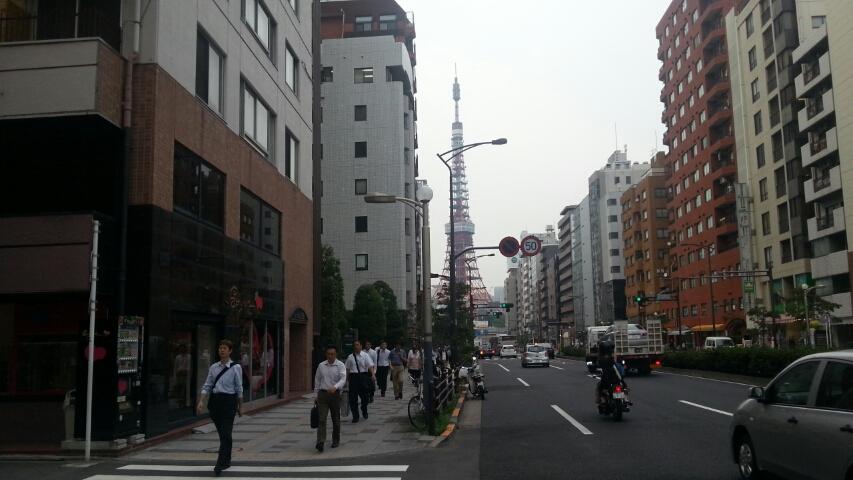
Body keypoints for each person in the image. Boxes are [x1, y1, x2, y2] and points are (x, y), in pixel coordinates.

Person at [197, 339, 243, 476]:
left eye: (224, 348)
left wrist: (240, 406)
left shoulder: (236, 367)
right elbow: (207, 385)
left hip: (229, 402)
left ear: (230, 351)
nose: (222, 350)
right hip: (215, 403)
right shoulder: (213, 367)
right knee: (224, 434)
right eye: (220, 348)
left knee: (226, 433)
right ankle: (226, 460)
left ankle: (220, 464)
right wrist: (201, 401)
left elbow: (239, 388)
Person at [314, 345, 346, 452]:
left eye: (332, 354)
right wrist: (316, 395)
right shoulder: (321, 365)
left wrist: (335, 387)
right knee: (321, 419)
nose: (330, 356)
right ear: (326, 354)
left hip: (335, 395)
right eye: (328, 354)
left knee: (335, 418)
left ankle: (335, 440)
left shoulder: (340, 365)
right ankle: (320, 441)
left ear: (336, 354)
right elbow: (317, 380)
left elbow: (343, 379)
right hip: (323, 394)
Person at [345, 341, 375, 423]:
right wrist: (346, 380)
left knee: (365, 398)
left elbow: (370, 366)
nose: (356, 346)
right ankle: (355, 416)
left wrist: (373, 375)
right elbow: (347, 369)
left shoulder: (365, 355)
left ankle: (364, 409)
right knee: (353, 398)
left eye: (357, 345)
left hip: (363, 377)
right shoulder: (350, 357)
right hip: (353, 378)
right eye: (354, 345)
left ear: (361, 346)